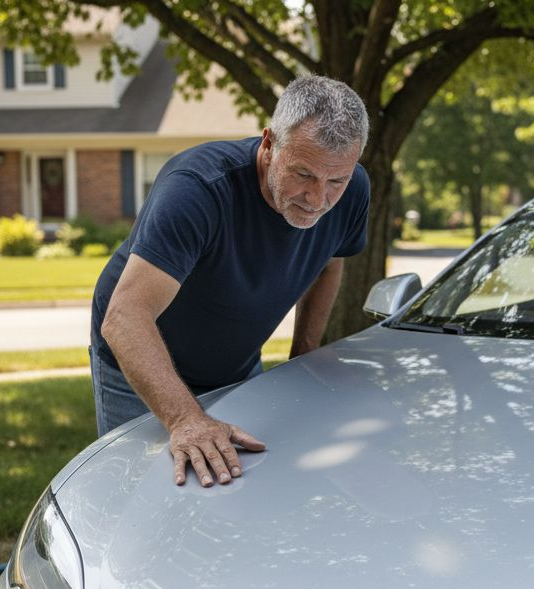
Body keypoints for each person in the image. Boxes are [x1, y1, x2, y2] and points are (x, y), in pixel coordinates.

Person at [90, 74, 370, 488]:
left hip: (234, 363)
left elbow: (330, 260)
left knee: (238, 487)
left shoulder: (353, 192)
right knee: (142, 492)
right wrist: (185, 418)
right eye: (303, 174)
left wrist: (304, 351)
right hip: (139, 358)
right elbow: (124, 318)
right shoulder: (198, 190)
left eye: (336, 181)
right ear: (269, 144)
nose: (318, 199)